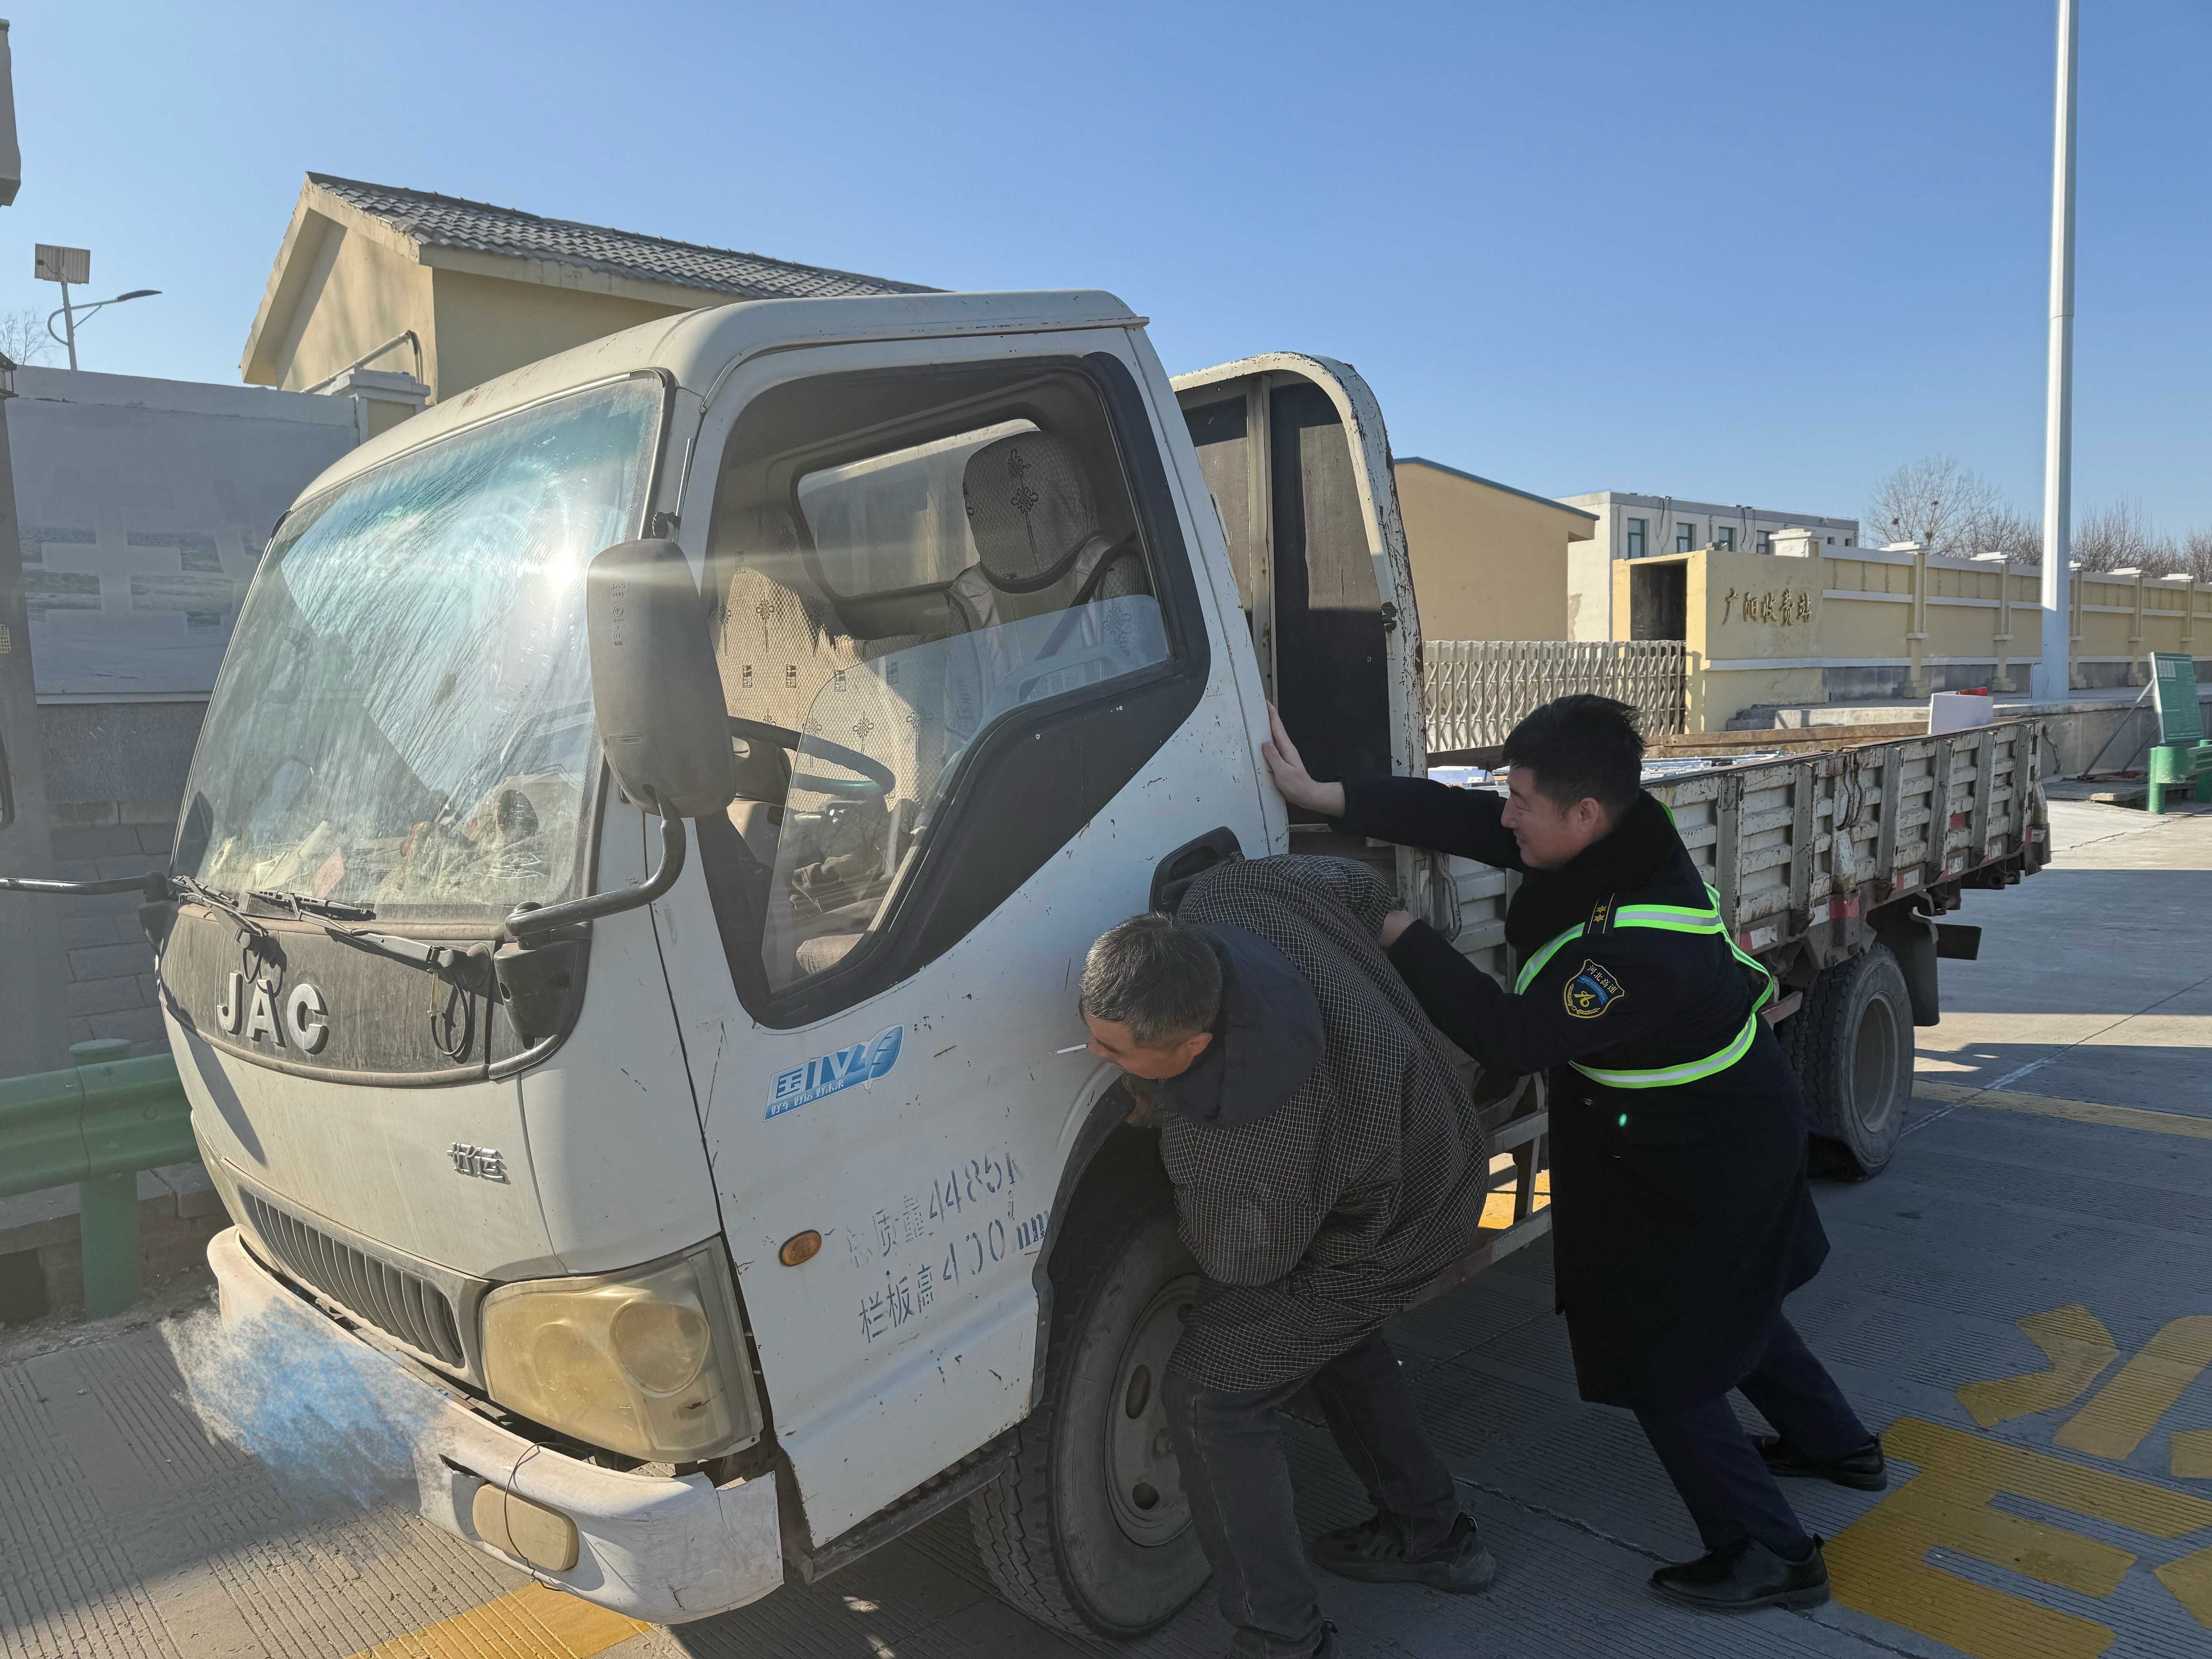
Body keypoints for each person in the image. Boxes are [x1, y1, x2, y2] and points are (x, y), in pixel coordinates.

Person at [1261, 694, 1884, 1613]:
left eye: (1522, 800)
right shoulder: (1619, 834)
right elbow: (1470, 818)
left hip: (1710, 1157)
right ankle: (1839, 1448)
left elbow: (1511, 1036)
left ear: (1584, 812)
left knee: (1663, 1353)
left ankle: (1771, 1554)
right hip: (1706, 1128)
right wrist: (1328, 796)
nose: (1506, 816)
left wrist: (1393, 927)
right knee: (1732, 1305)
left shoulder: (1637, 951)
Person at [1080, 854, 1496, 1659]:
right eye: (1093, 1030)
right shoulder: (1236, 892)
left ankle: (1283, 1638)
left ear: (1195, 1044)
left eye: (1118, 1052)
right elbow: (1363, 889)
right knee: (1326, 1335)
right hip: (1440, 1138)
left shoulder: (1236, 1131)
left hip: (1404, 1224)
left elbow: (1247, 1266)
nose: (1098, 1056)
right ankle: (1435, 1536)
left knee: (1212, 1397)